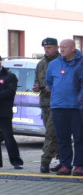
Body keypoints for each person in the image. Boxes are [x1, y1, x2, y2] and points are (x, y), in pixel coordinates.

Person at [50, 39, 83, 176]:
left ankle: (79, 165)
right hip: (58, 106)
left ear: (73, 49)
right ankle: (65, 164)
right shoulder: (54, 64)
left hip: (77, 107)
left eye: (64, 47)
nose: (61, 50)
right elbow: (49, 83)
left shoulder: (80, 64)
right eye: (60, 47)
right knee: (62, 137)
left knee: (79, 138)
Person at [34, 37, 60, 173]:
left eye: (49, 47)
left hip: (57, 103)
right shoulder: (41, 63)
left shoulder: (60, 62)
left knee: (51, 134)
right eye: (45, 48)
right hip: (44, 103)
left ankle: (45, 162)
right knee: (54, 134)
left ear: (57, 47)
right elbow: (37, 80)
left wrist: (52, 87)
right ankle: (63, 160)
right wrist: (37, 86)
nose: (47, 50)